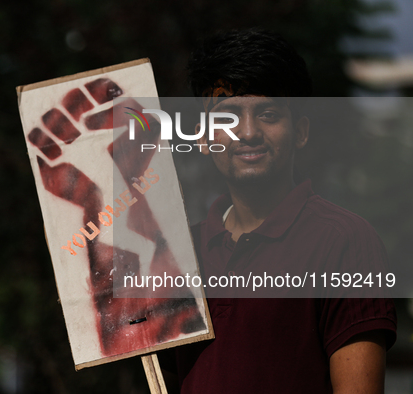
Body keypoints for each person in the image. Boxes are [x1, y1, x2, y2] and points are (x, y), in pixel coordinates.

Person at [160, 29, 397, 394]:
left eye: (269, 113)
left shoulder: (344, 240)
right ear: (203, 139)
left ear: (300, 131)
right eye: (227, 118)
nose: (249, 132)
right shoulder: (177, 254)